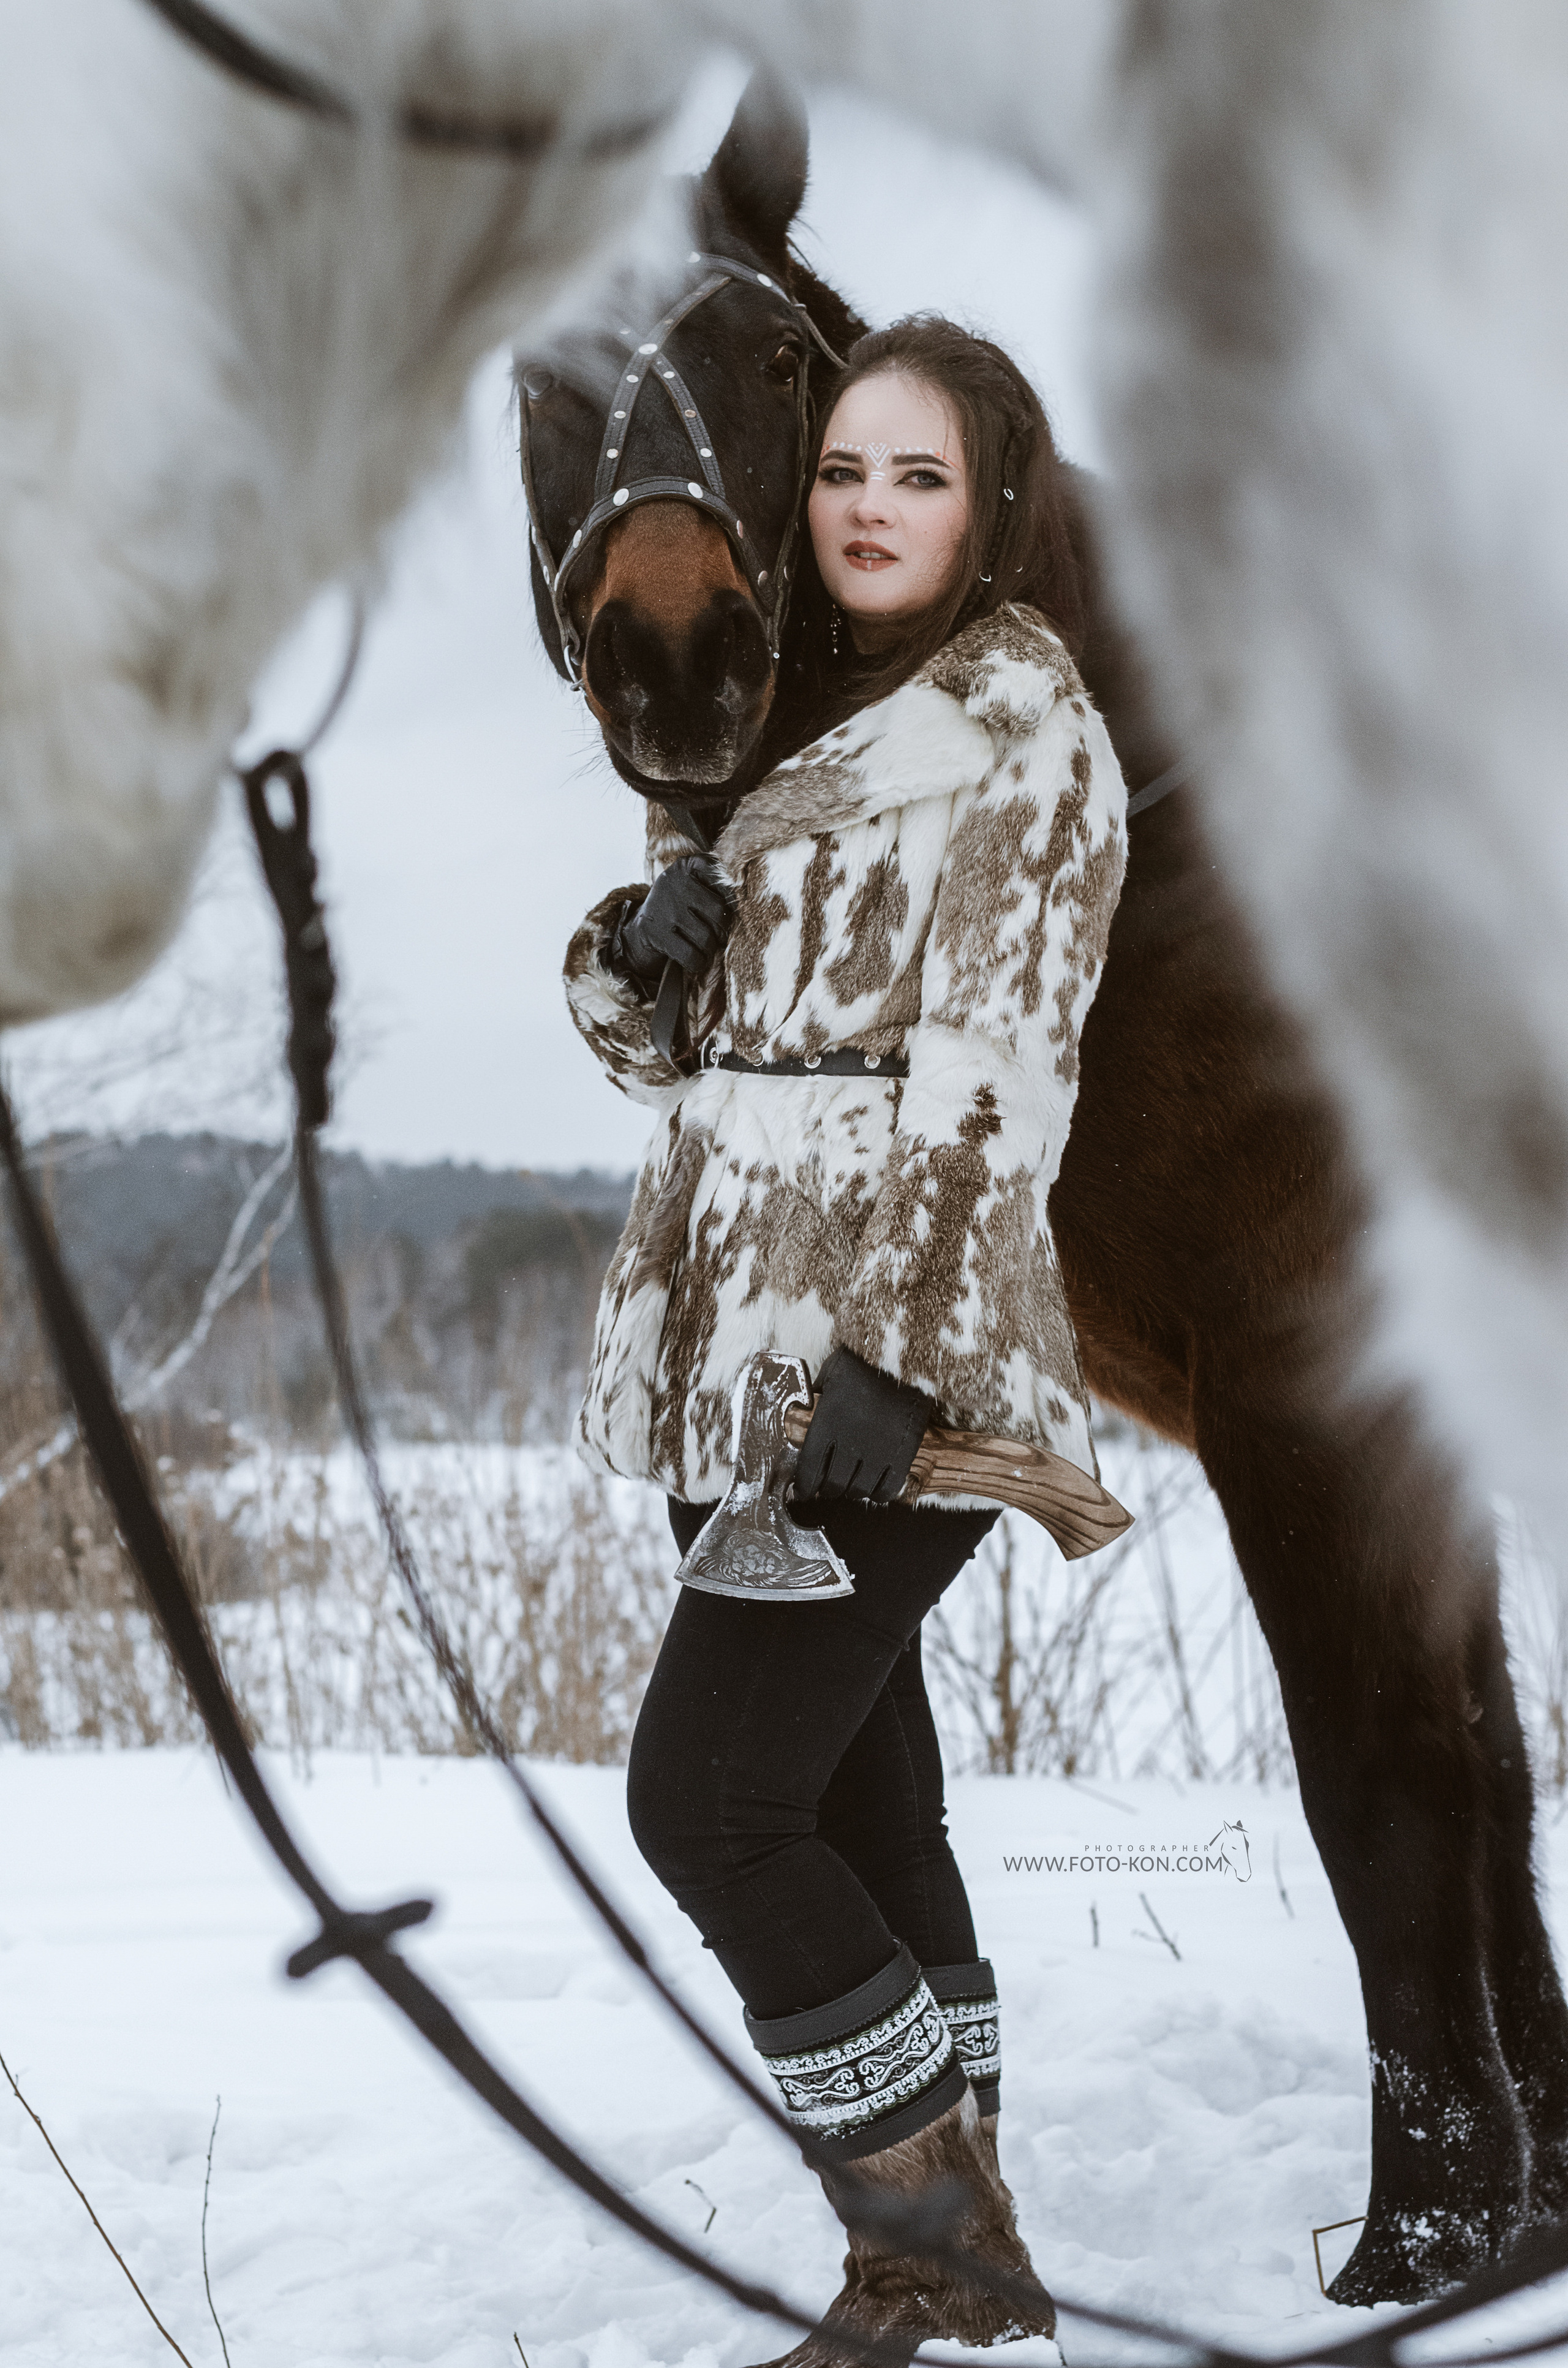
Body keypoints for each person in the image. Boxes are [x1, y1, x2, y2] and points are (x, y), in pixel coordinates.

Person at [562, 317, 1126, 2364]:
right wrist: (642, 961)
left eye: (920, 475)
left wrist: (891, 1363)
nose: (870, 510)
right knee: (867, 1808)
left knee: (706, 1802)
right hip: (728, 1354)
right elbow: (685, 1063)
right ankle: (960, 2272)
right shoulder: (763, 724)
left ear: (990, 508)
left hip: (886, 1372)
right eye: (846, 473)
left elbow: (1000, 1082)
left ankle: (930, 2257)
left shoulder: (1021, 731)